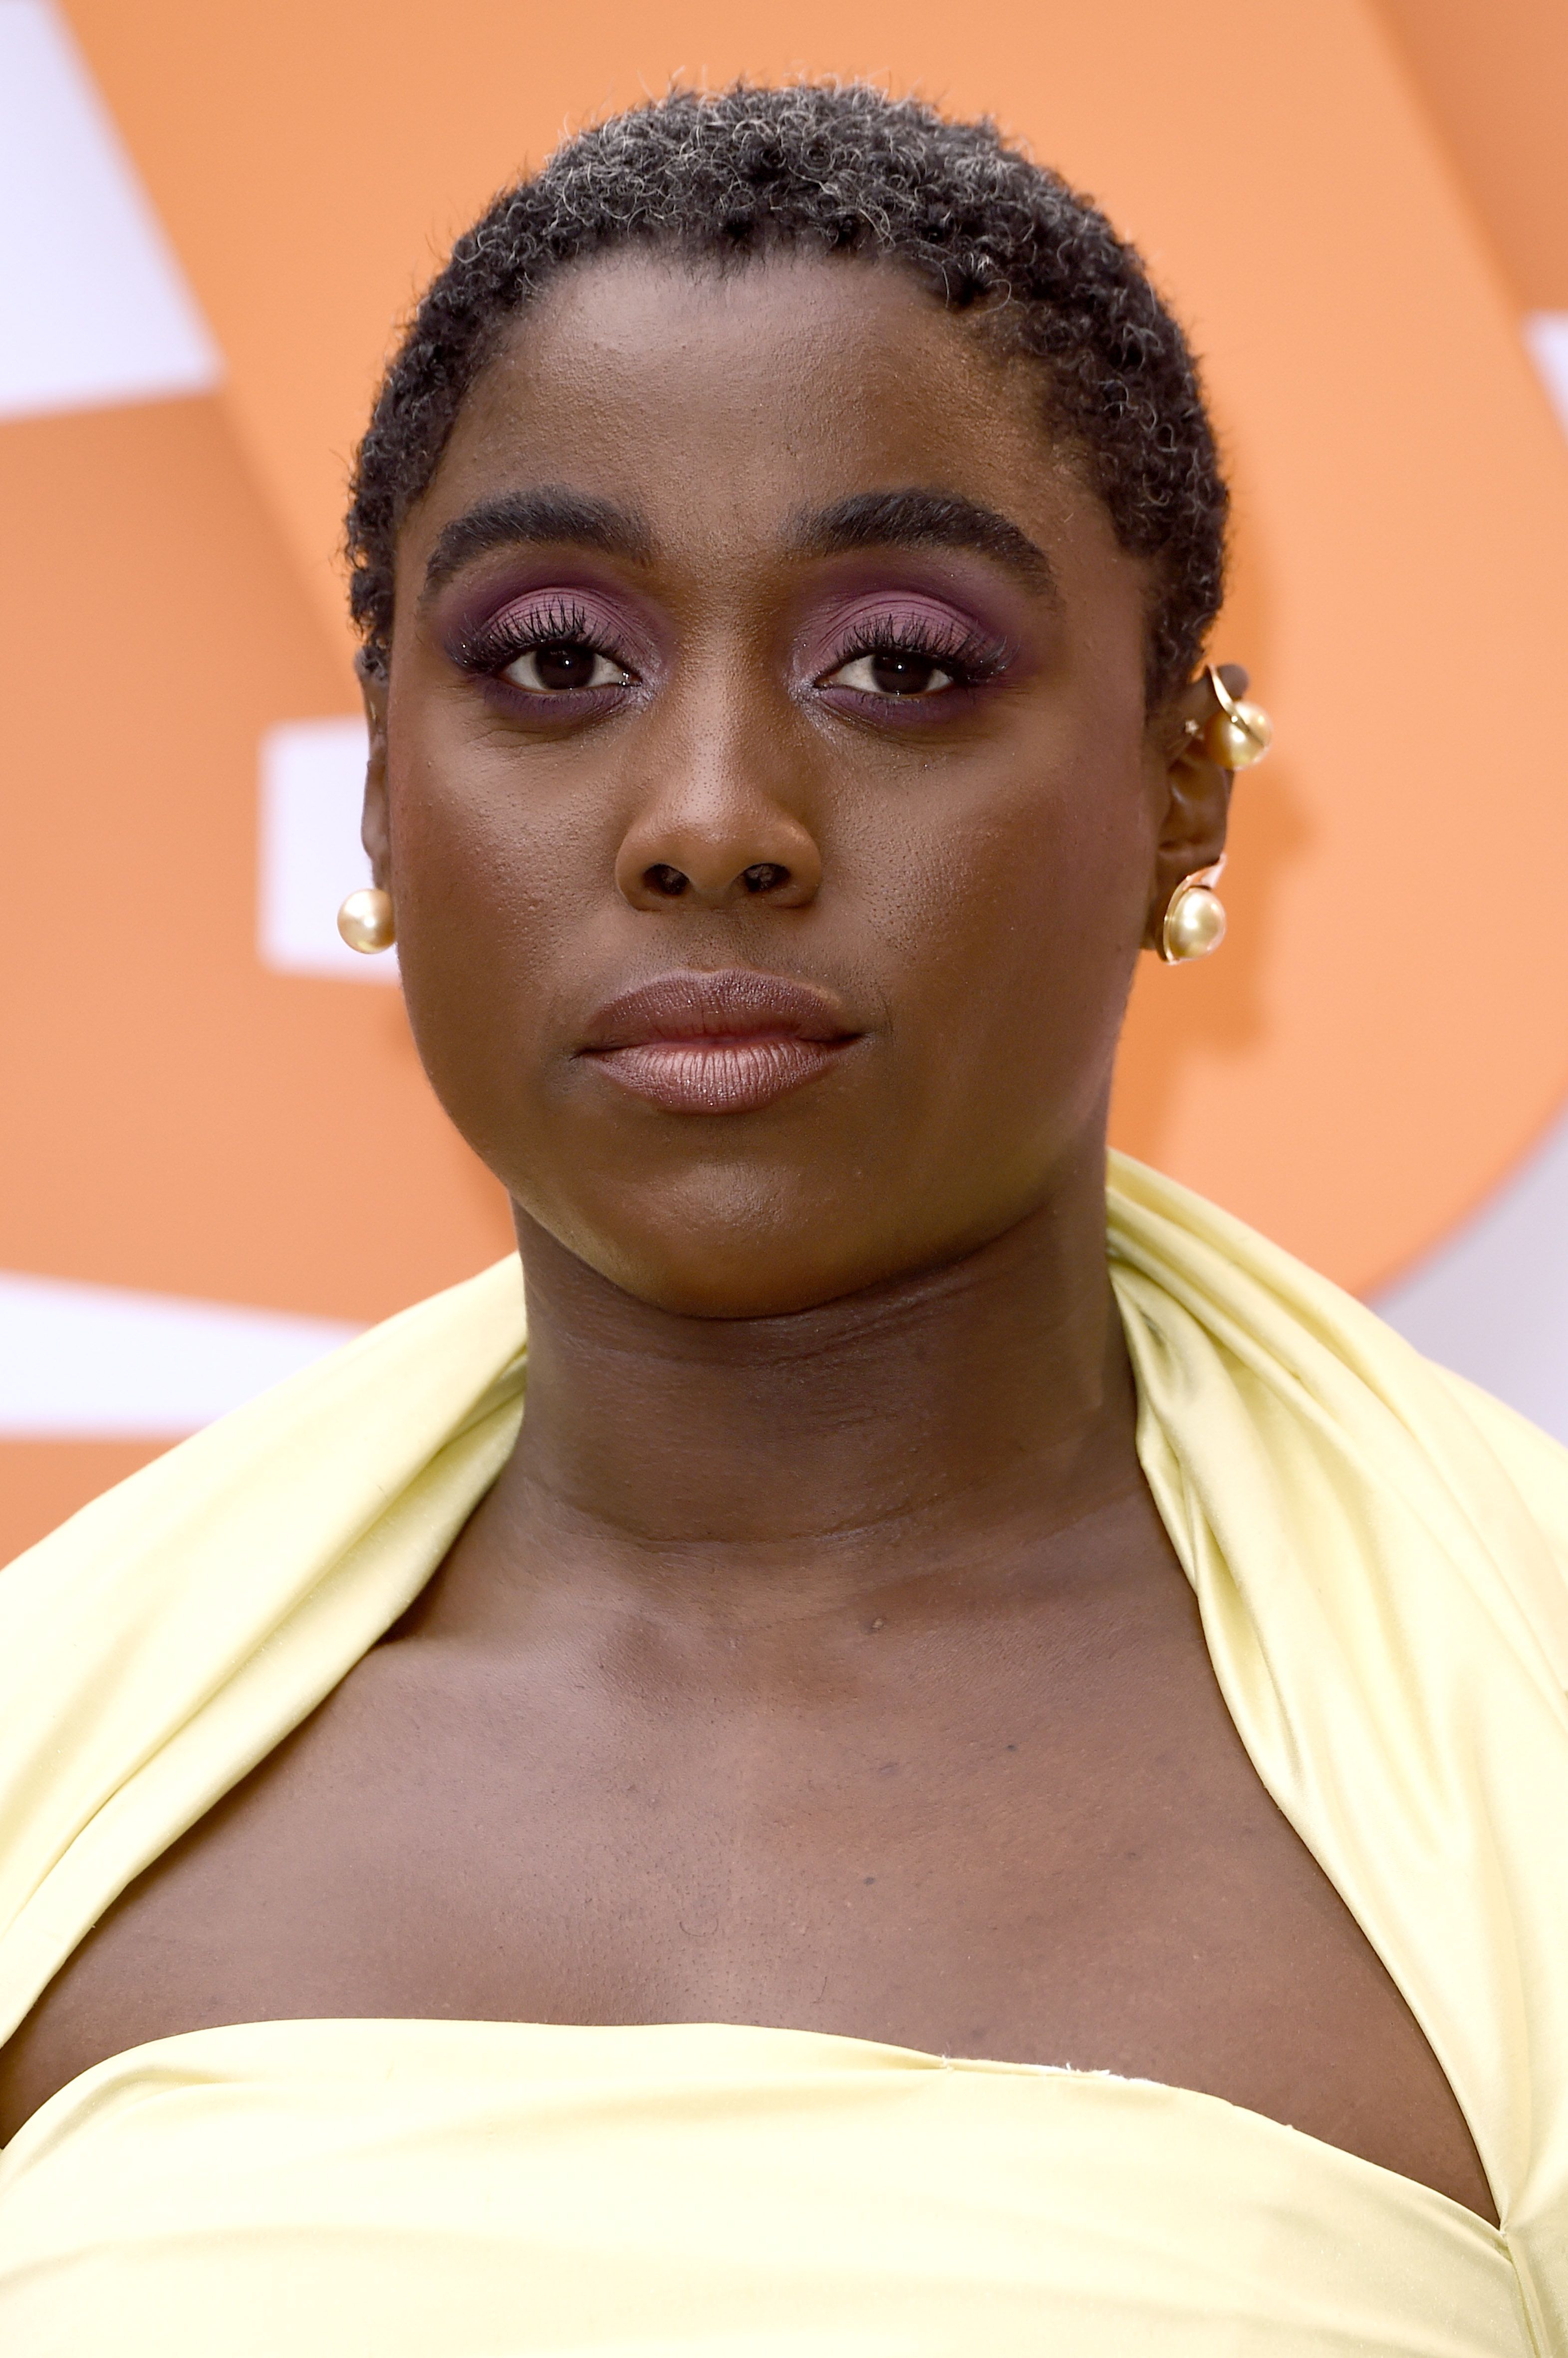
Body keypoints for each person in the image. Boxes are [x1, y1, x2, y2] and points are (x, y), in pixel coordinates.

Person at [0, 80, 1563, 2356]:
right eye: (556, 660)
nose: (713, 816)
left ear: (1182, 789)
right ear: (378, 791)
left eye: (903, 664)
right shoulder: (62, 1752)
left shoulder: (1513, 1732)